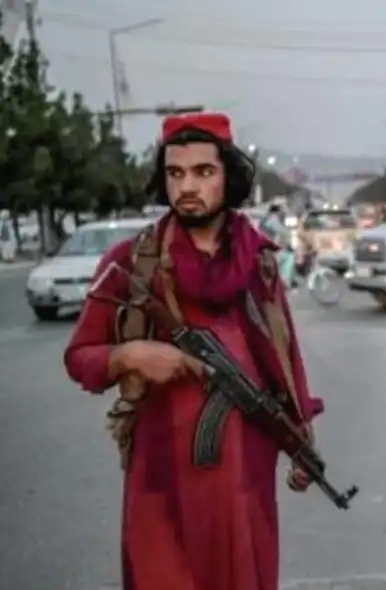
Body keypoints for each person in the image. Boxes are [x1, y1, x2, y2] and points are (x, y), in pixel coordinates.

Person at [63, 112, 323, 589]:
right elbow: (79, 356)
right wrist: (130, 355)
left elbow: (285, 356)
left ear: (229, 176)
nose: (188, 185)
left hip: (247, 477)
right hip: (163, 482)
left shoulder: (259, 261)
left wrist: (302, 437)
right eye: (176, 172)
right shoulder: (128, 261)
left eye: (204, 172)